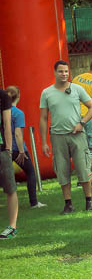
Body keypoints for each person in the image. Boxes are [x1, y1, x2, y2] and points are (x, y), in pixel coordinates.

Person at [40, 60, 92, 214]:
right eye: (60, 71)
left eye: (66, 71)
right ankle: (68, 204)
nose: (64, 74)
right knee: (62, 170)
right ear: (55, 72)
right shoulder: (46, 93)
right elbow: (44, 118)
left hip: (77, 135)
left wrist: (82, 123)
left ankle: (89, 202)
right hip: (57, 137)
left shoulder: (77, 89)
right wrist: (44, 142)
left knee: (83, 168)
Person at [6, 86, 46, 209]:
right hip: (16, 149)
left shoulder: (3, 112)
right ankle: (34, 202)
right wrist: (22, 151)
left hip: (4, 149)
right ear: (18, 96)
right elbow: (18, 134)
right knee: (30, 172)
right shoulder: (18, 113)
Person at [0, 87, 19, 239]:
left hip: (2, 149)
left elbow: (7, 124)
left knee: (10, 188)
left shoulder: (3, 96)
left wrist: (8, 149)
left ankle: (12, 227)